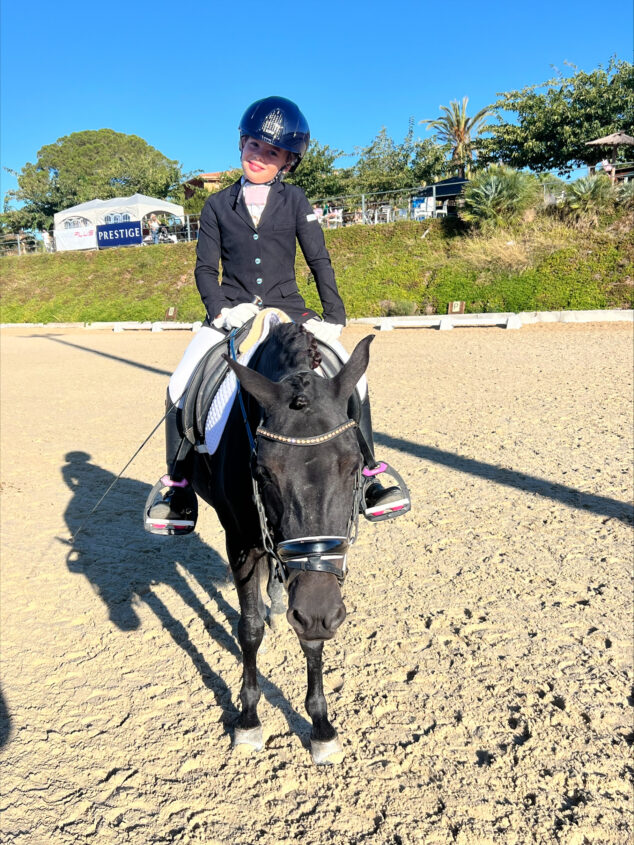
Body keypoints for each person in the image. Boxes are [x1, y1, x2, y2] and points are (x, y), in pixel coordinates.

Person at [145, 96, 410, 535]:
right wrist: (221, 311)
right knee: (179, 383)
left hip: (291, 310)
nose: (259, 157)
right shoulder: (215, 206)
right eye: (253, 146)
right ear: (241, 144)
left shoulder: (296, 201)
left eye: (271, 153)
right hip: (233, 310)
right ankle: (179, 488)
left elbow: (318, 260)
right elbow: (204, 268)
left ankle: (368, 477)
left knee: (355, 378)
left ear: (286, 161)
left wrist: (334, 316)